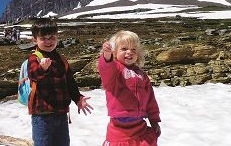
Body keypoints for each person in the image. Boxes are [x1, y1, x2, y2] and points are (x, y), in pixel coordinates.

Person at [27, 18, 93, 146]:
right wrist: (42, 69)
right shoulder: (34, 58)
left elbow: (70, 83)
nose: (48, 41)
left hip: (61, 114)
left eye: (52, 37)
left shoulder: (61, 60)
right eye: (43, 38)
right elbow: (33, 75)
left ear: (57, 37)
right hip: (42, 115)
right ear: (35, 40)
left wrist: (78, 98)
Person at [98, 30, 161, 146]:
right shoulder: (115, 71)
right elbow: (105, 69)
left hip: (139, 126)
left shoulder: (142, 75)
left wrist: (154, 120)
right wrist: (107, 57)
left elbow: (150, 100)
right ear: (115, 52)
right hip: (119, 128)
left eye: (133, 49)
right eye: (124, 49)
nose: (129, 52)